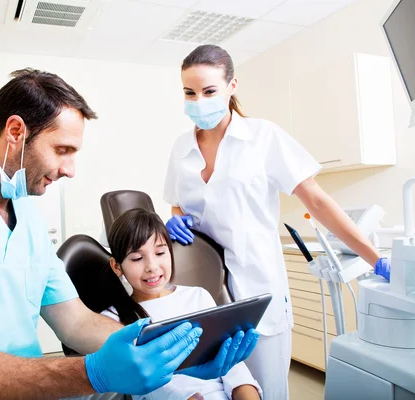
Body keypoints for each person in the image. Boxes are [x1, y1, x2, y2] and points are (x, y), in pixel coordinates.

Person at [0, 68, 254, 399]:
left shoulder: (24, 216)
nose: (71, 170)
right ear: (16, 131)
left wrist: (179, 355)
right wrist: (91, 374)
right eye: (63, 151)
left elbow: (76, 322)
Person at [163, 45, 391, 400]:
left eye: (209, 91)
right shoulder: (181, 147)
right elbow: (178, 203)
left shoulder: (263, 137)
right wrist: (175, 220)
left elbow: (316, 200)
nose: (198, 100)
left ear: (231, 86)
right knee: (214, 391)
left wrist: (374, 258)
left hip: (258, 288)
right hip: (203, 294)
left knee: (266, 392)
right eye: (189, 92)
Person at [102, 208, 262, 400]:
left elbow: (231, 367)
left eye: (160, 252)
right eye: (137, 258)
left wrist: (245, 390)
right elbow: (147, 383)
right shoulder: (112, 320)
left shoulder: (198, 297)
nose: (152, 266)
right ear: (117, 266)